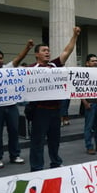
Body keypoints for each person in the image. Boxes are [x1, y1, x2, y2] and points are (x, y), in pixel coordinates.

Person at [29, 27, 81, 172]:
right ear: (36, 54)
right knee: (38, 141)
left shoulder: (54, 65)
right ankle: (37, 167)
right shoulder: (32, 69)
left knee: (54, 140)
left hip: (55, 111)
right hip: (40, 111)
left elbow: (67, 51)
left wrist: (75, 36)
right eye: (44, 50)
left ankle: (55, 163)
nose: (47, 52)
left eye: (48, 50)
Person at [0, 39, 34, 168]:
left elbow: (19, 58)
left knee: (14, 131)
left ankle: (15, 155)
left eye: (1, 58)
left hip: (11, 105)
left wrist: (28, 48)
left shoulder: (8, 68)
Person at [81, 54, 97, 155]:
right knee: (89, 126)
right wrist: (85, 102)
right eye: (92, 61)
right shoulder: (83, 74)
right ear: (87, 63)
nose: (95, 62)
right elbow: (78, 89)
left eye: (96, 61)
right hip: (90, 103)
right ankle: (89, 146)